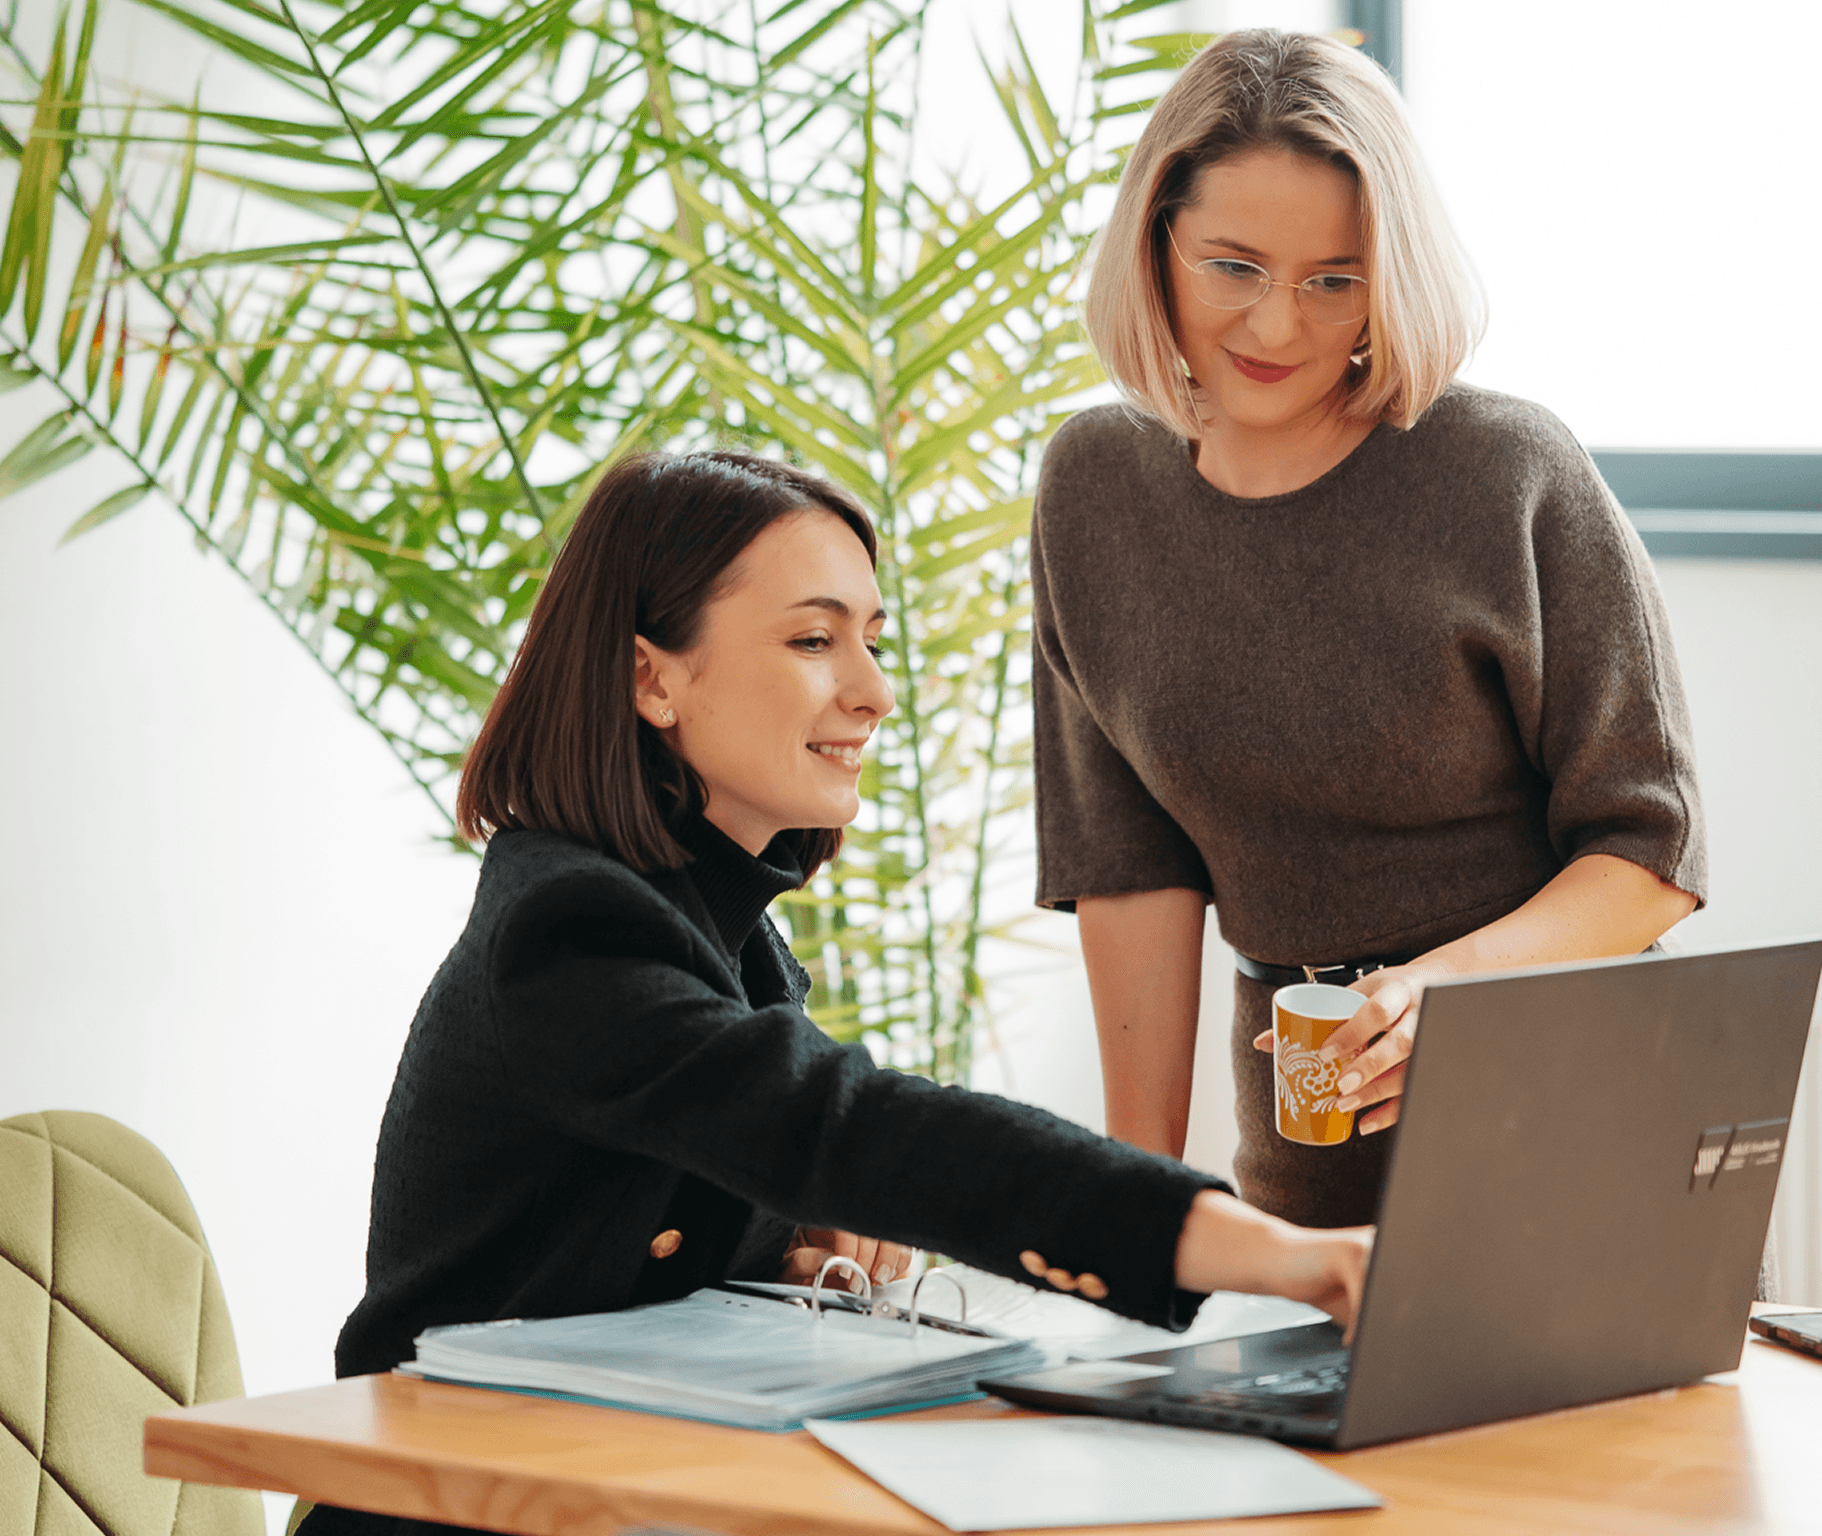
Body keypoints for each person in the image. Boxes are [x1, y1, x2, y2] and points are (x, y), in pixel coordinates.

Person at [297, 449, 1371, 1536]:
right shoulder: (568, 930)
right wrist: (1288, 1257)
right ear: (650, 679)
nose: (874, 691)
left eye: (871, 638)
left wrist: (782, 1250)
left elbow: (713, 1182)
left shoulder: (719, 927)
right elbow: (850, 1129)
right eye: (814, 640)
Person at [1032, 30, 1704, 1230]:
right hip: (1302, 1162)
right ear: (1156, 244)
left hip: (1578, 1132)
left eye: (1333, 280)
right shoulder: (1093, 486)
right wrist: (1129, 1203)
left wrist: (1436, 990)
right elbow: (1124, 865)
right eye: (1232, 267)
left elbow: (1652, 851)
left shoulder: (1506, 470)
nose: (1278, 327)